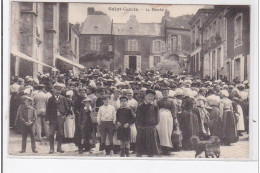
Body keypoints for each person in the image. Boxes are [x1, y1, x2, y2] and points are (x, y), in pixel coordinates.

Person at [136, 89, 160, 157]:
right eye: (149, 95)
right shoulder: (140, 106)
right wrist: (140, 127)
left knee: (151, 150)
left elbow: (157, 119)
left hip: (151, 129)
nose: (150, 97)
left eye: (152, 96)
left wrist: (153, 125)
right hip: (142, 129)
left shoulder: (155, 106)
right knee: (140, 150)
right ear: (145, 96)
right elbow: (137, 119)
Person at [46, 83, 69, 154]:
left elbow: (67, 108)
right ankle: (51, 148)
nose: (58, 91)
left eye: (59, 90)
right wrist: (47, 119)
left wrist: (64, 115)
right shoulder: (50, 99)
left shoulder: (63, 98)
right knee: (51, 134)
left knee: (60, 133)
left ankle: (59, 147)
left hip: (60, 118)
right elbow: (48, 110)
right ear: (53, 90)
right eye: (56, 90)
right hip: (52, 118)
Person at [156, 87, 179, 155]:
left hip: (168, 117)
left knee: (168, 131)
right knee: (161, 132)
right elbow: (156, 109)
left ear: (168, 93)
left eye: (166, 92)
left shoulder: (172, 101)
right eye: (163, 92)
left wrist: (175, 118)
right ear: (162, 93)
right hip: (160, 118)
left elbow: (174, 110)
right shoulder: (159, 101)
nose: (165, 93)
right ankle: (162, 148)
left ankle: (168, 148)